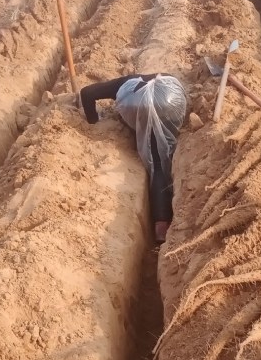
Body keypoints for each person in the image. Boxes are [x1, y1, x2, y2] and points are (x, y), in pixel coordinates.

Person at [77, 74, 187, 243]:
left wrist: (93, 121)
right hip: (169, 101)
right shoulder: (171, 81)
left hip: (135, 104)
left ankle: (160, 227)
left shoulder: (124, 85)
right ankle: (163, 221)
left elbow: (87, 93)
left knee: (156, 163)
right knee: (163, 155)